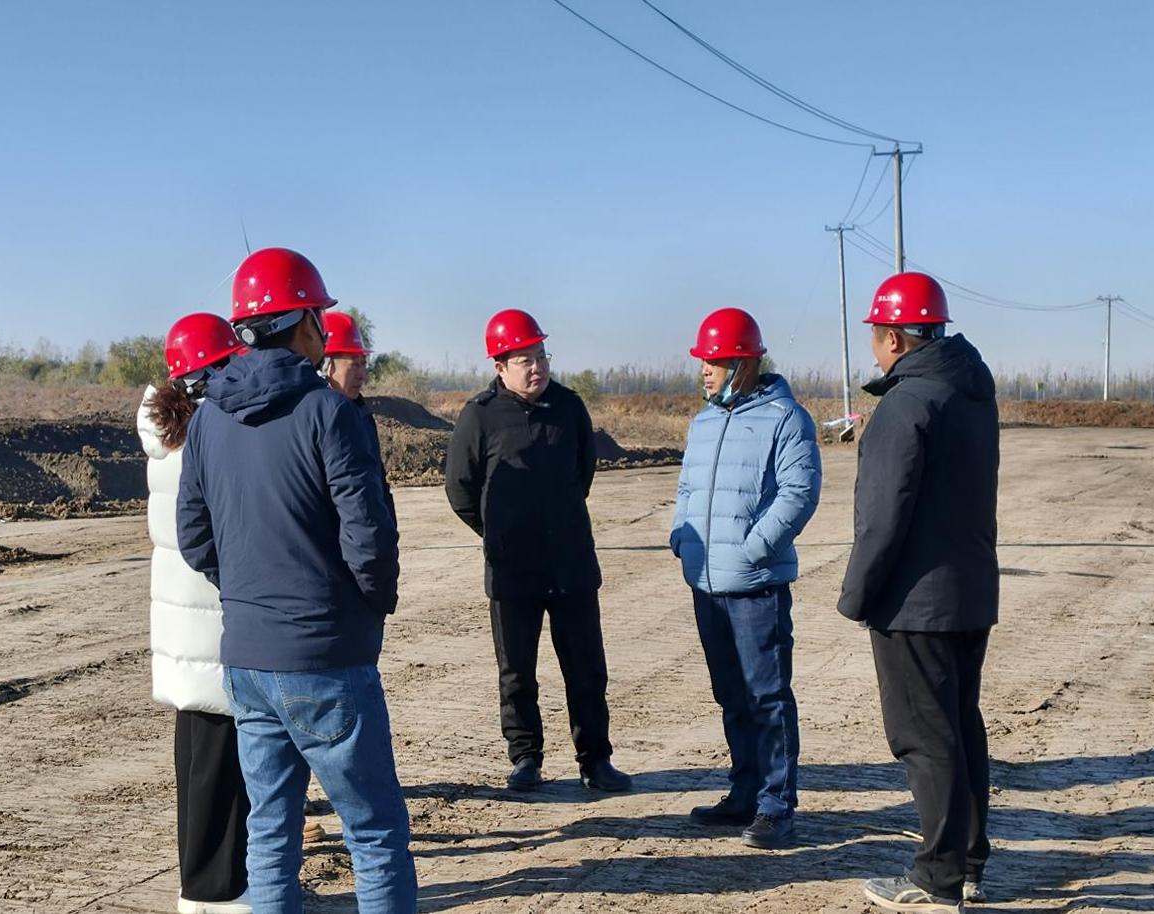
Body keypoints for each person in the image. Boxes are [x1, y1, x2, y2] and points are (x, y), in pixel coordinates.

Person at [177, 247, 415, 914]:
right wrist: (368, 607)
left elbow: (195, 537)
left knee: (270, 830)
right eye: (319, 315)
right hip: (325, 658)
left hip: (247, 661)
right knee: (374, 832)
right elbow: (369, 537)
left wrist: (247, 593)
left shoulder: (209, 419)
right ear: (303, 321)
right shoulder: (329, 413)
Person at [838, 273, 998, 913]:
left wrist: (858, 595)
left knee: (925, 738)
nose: (875, 349)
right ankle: (969, 863)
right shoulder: (970, 392)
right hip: (969, 593)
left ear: (895, 338)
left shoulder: (905, 405)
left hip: (915, 605)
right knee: (959, 727)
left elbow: (883, 517)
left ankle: (938, 879)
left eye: (877, 336)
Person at [444, 308, 631, 793]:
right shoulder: (480, 415)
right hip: (512, 570)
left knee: (586, 669)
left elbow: (583, 473)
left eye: (542, 356)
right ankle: (525, 758)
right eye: (525, 359)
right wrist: (498, 532)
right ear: (499, 366)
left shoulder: (569, 407)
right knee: (517, 673)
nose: (537, 367)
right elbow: (460, 489)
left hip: (571, 564)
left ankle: (596, 760)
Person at [670, 307, 822, 850]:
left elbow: (799, 493)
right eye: (704, 362)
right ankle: (744, 793)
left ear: (743, 363)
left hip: (756, 587)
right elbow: (687, 489)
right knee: (731, 695)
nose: (704, 371)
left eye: (713, 362)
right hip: (707, 584)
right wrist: (681, 537)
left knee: (767, 697)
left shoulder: (786, 419)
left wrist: (755, 548)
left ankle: (777, 807)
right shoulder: (704, 422)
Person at [139, 313, 250, 914]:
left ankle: (206, 889)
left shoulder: (169, 434)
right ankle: (218, 894)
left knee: (199, 763)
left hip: (186, 624)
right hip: (211, 617)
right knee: (221, 770)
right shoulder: (210, 435)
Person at [320, 310, 395, 523]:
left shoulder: (362, 415)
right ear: (325, 366)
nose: (362, 375)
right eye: (354, 364)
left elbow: (378, 484)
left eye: (364, 363)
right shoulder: (314, 421)